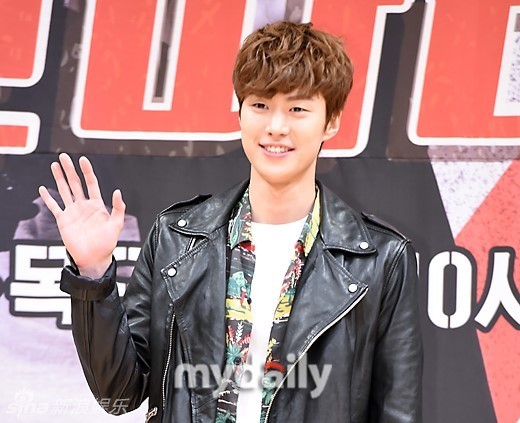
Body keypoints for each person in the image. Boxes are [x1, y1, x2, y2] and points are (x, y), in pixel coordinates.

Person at [39, 21, 422, 423]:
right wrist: (93, 274)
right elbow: (118, 392)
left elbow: (398, 410)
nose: (276, 127)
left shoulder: (380, 258)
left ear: (331, 121)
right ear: (240, 112)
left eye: (297, 109)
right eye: (260, 105)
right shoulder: (177, 238)